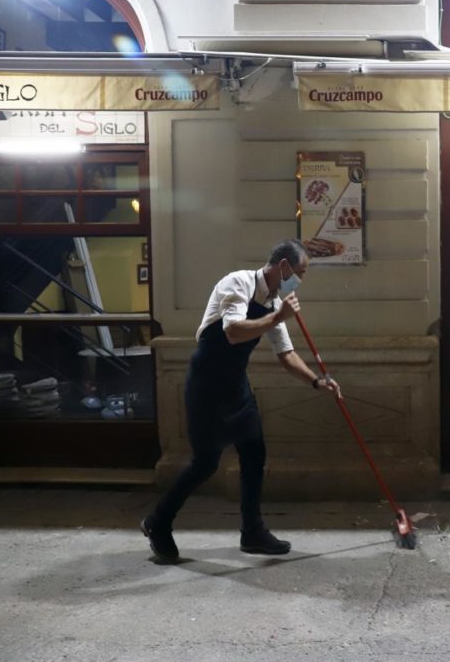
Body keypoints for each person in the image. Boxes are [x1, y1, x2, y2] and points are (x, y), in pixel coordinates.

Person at [141, 239, 340, 563]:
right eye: (300, 272)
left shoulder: (275, 302)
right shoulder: (237, 282)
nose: (300, 280)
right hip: (206, 384)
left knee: (254, 452)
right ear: (284, 266)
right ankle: (157, 522)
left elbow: (286, 355)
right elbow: (233, 331)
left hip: (236, 386)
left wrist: (318, 381)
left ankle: (252, 532)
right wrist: (278, 318)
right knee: (205, 464)